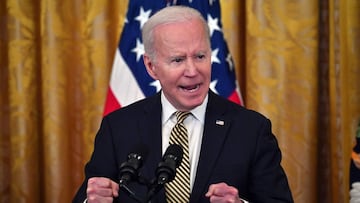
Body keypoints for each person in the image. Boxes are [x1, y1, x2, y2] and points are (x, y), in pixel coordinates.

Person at [73, 5, 293, 203]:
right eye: (178, 60)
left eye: (200, 56)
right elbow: (90, 195)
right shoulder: (118, 128)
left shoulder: (251, 130)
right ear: (151, 67)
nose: (192, 71)